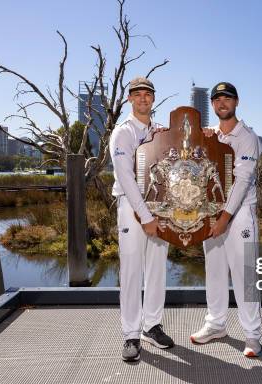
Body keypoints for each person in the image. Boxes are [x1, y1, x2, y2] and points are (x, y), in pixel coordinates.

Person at [190, 82, 262, 357]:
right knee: (215, 270)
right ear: (212, 105)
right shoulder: (210, 137)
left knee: (245, 275)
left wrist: (225, 218)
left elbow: (242, 181)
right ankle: (216, 324)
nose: (222, 103)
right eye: (217, 99)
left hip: (240, 213)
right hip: (212, 212)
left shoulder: (247, 137)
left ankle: (252, 335)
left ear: (237, 102)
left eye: (227, 98)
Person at [110, 76, 174, 362]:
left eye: (148, 94)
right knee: (132, 270)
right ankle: (131, 335)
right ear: (129, 99)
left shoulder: (161, 132)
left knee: (157, 268)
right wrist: (145, 217)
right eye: (137, 94)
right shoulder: (122, 133)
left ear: (153, 98)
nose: (143, 99)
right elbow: (126, 178)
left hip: (159, 209)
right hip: (131, 208)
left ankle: (151, 325)